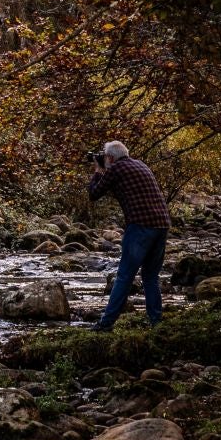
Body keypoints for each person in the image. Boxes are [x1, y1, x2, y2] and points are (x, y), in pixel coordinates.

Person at [86, 140, 171, 329]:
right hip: (162, 225)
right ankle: (156, 322)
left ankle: (106, 324)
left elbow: (94, 194)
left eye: (105, 156)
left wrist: (98, 171)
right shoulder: (140, 164)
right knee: (150, 276)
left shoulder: (115, 169)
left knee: (124, 276)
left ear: (110, 157)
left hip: (140, 226)